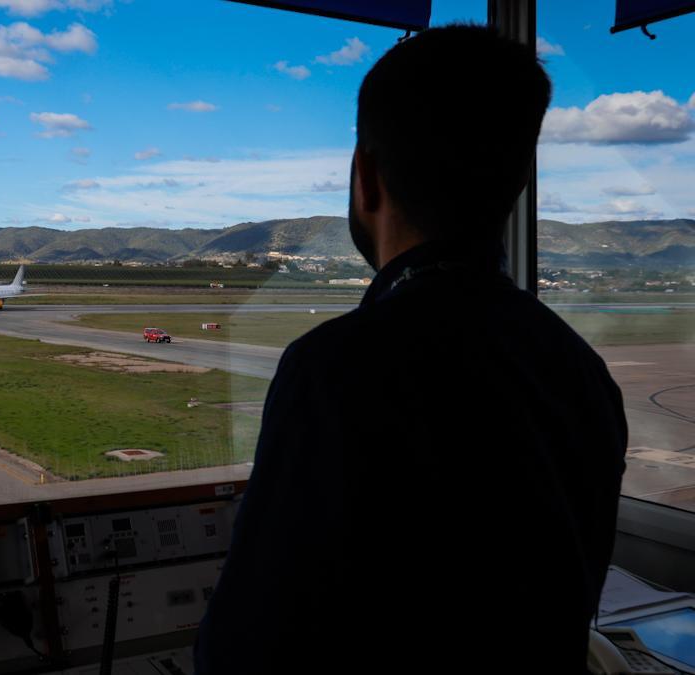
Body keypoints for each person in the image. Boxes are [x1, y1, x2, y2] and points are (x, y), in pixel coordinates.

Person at [195, 24, 627, 674]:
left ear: (366, 177)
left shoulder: (336, 369)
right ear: (515, 185)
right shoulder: (580, 371)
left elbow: (242, 651)